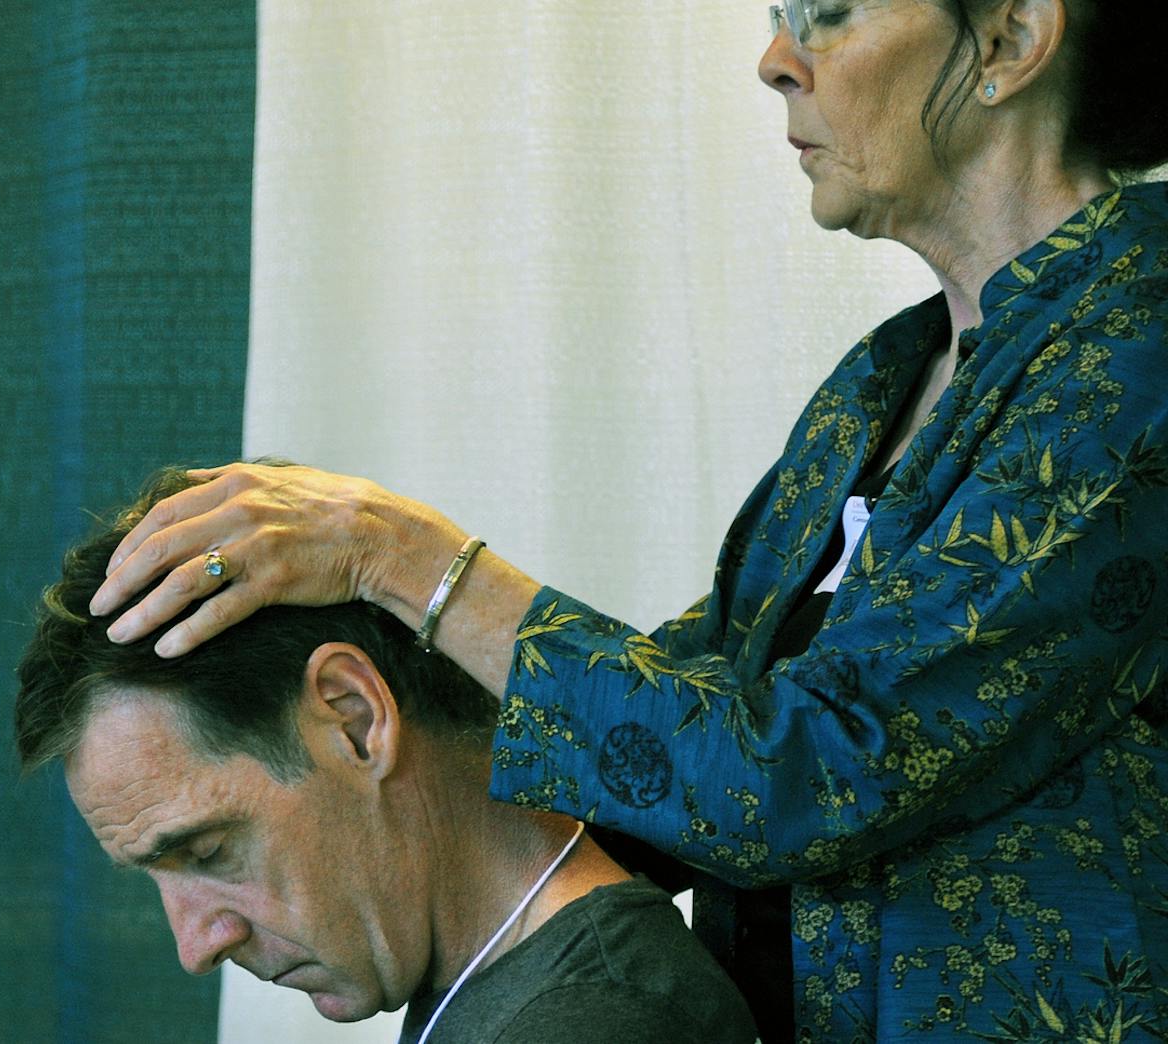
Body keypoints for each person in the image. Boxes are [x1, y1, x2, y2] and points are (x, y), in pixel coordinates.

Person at [89, 0, 1168, 1039]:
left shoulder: (1141, 350)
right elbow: (689, 731)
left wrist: (401, 556)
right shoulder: (885, 380)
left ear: (1014, 34)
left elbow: (798, 776)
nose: (777, 61)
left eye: (827, 11)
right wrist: (382, 817)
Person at [16, 466, 758, 1043]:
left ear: (356, 718)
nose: (196, 945)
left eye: (210, 852)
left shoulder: (597, 1022)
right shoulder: (499, 978)